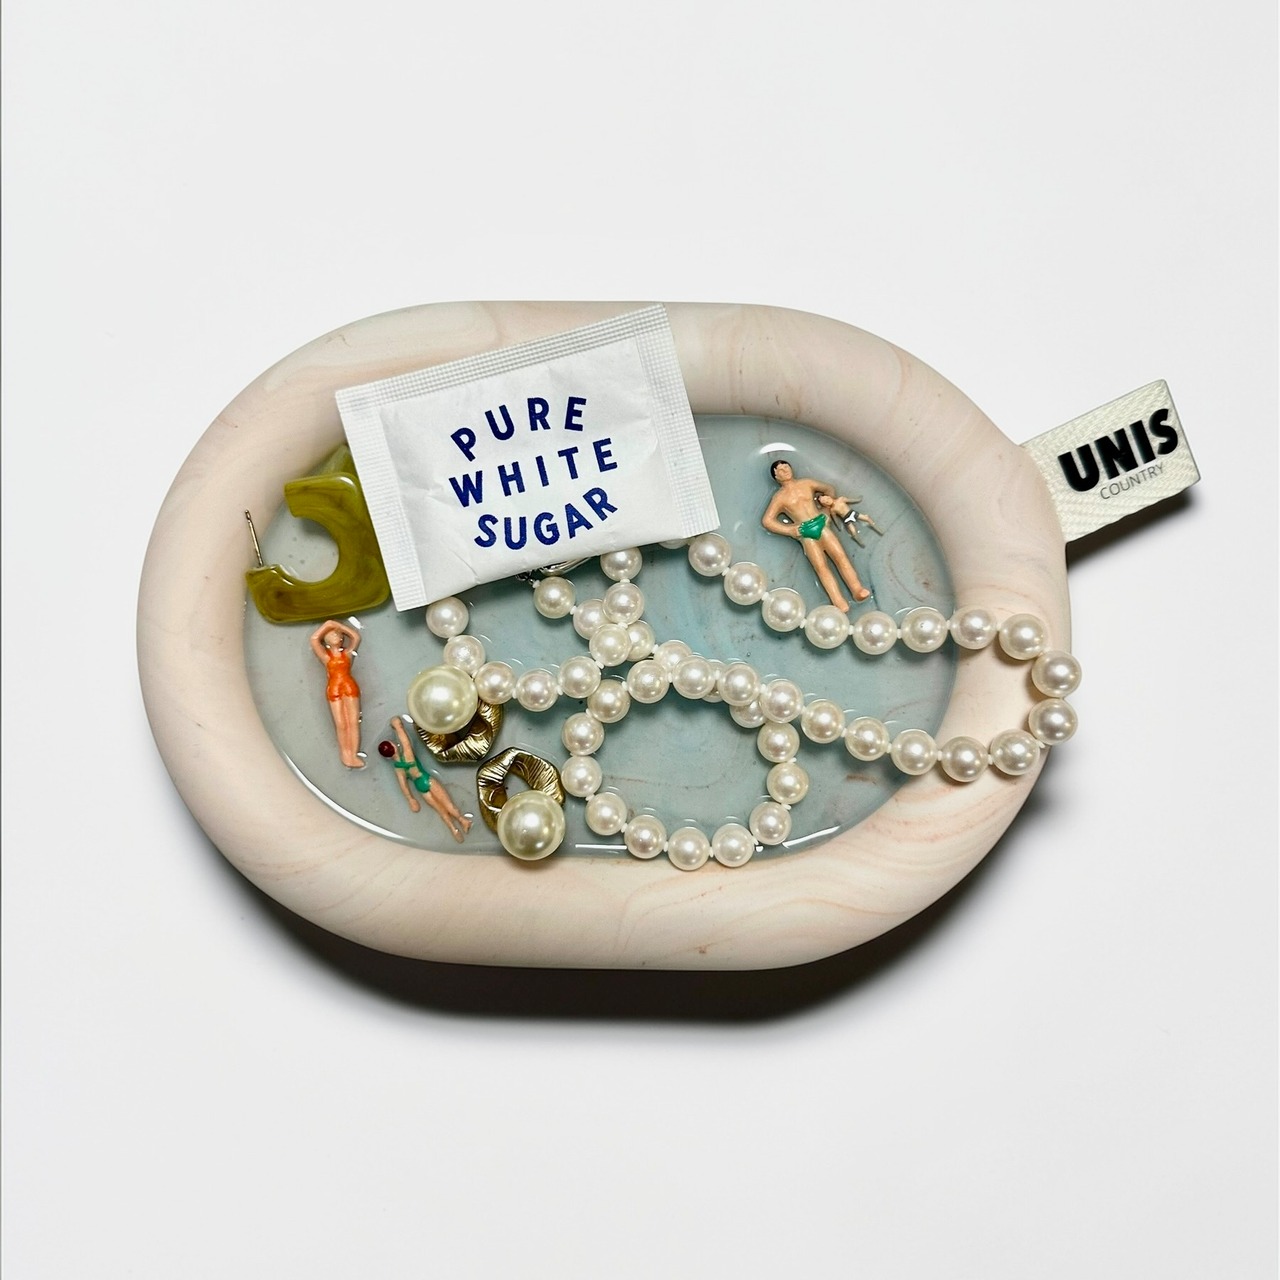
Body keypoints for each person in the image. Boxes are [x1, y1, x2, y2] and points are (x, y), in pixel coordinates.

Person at [761, 459, 871, 610]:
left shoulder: (806, 483)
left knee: (841, 557)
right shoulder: (779, 497)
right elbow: (767, 521)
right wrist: (790, 530)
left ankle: (857, 589)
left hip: (822, 525)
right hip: (805, 532)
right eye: (780, 470)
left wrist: (826, 510)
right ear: (776, 476)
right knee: (821, 567)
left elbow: (829, 489)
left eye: (786, 467)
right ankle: (838, 601)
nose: (785, 471)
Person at [379, 716, 473, 842]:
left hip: (420, 788)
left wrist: (410, 799)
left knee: (441, 811)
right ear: (394, 747)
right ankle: (462, 820)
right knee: (448, 805)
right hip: (427, 780)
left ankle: (453, 829)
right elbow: (405, 741)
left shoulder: (398, 769)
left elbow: (403, 786)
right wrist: (398, 726)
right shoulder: (408, 756)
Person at [309, 619, 364, 768]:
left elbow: (356, 637)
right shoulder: (326, 657)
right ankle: (345, 754)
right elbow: (314, 639)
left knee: (353, 721)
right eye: (331, 634)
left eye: (337, 634)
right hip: (334, 688)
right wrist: (328, 624)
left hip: (349, 686)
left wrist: (339, 626)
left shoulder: (347, 654)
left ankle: (353, 754)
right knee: (340, 723)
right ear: (326, 639)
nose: (335, 636)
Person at [816, 492, 883, 547]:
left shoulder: (841, 499)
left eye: (826, 499)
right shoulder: (832, 510)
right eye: (824, 502)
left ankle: (877, 529)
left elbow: (851, 500)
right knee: (853, 532)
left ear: (829, 496)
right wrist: (838, 526)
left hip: (852, 513)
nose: (827, 501)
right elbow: (835, 519)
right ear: (824, 505)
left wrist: (858, 499)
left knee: (867, 518)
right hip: (846, 518)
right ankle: (860, 542)